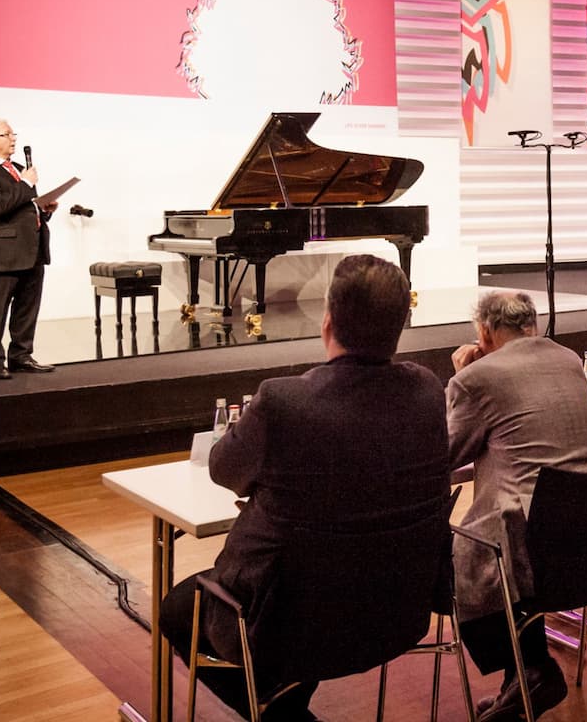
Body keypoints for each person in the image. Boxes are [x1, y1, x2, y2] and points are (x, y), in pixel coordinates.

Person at [158, 255, 450, 721]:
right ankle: (283, 701)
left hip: (287, 620)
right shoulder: (427, 390)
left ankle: (279, 712)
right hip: (393, 609)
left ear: (327, 322)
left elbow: (222, 468)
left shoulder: (283, 401)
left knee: (177, 611)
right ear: (402, 323)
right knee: (318, 573)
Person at [447, 290, 587, 721]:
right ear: (531, 326)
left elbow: (447, 453)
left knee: (473, 548)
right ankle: (522, 678)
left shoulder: (478, 378)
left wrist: (463, 376)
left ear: (483, 332)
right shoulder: (569, 359)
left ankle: (533, 670)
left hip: (534, 542)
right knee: (506, 527)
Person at [0, 118, 57, 379]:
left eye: (13, 133)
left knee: (28, 306)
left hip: (32, 247)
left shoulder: (18, 169)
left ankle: (21, 355)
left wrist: (43, 209)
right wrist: (26, 185)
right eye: (6, 134)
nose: (13, 138)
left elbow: (22, 206)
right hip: (3, 251)